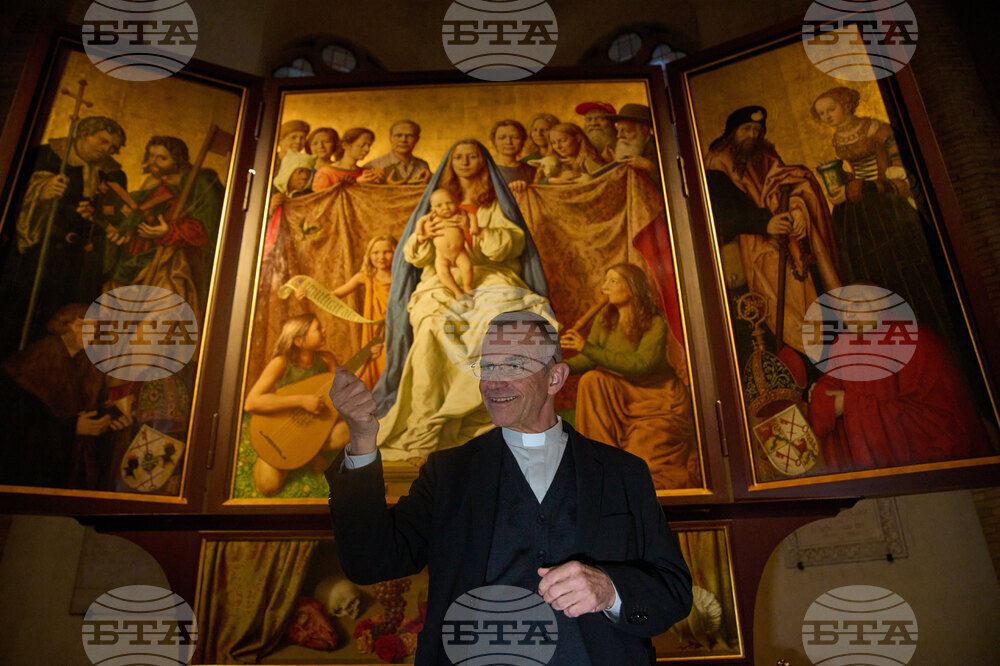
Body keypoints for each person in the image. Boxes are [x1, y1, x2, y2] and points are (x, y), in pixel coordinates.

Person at [326, 310, 693, 665]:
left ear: (554, 378)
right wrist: (362, 438)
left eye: (514, 366)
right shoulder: (449, 473)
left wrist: (609, 589)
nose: (494, 382)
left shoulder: (623, 473)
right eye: (487, 367)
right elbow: (370, 561)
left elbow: (673, 592)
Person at [373, 139, 551, 462]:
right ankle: (428, 423)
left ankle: (485, 419)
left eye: (472, 156)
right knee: (431, 327)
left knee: (497, 323)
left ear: (483, 162)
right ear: (450, 163)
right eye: (459, 157)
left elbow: (511, 245)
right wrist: (424, 237)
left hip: (488, 275)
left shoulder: (494, 204)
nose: (466, 162)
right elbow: (415, 256)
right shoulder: (436, 204)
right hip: (440, 280)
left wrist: (479, 231)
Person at [811, 86, 953, 341]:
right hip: (856, 212)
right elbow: (856, 172)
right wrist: (843, 181)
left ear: (847, 104)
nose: (827, 117)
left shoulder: (878, 130)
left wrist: (863, 187)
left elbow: (901, 178)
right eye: (821, 114)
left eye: (831, 109)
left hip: (887, 206)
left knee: (901, 271)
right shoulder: (838, 138)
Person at [704, 105, 840, 362]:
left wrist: (798, 210)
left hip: (790, 246)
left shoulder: (765, 156)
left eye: (757, 130)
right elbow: (722, 216)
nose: (753, 135)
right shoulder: (717, 162)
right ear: (733, 132)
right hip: (748, 252)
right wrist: (765, 223)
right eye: (746, 129)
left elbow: (792, 187)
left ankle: (822, 353)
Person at [561, 263, 699, 490]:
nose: (605, 287)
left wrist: (586, 347)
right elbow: (588, 361)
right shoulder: (604, 320)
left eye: (613, 281)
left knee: (643, 463)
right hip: (622, 394)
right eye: (605, 281)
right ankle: (601, 464)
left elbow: (642, 364)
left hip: (658, 398)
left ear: (632, 288)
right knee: (591, 380)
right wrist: (557, 367)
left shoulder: (655, 323)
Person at [0, 115, 127, 351]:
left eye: (113, 147)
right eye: (103, 141)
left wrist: (99, 216)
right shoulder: (45, 155)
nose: (106, 150)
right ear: (84, 134)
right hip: (40, 250)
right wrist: (40, 190)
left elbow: (116, 213)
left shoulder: (113, 174)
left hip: (81, 260)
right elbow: (10, 190)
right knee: (26, 306)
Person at [0, 303, 132, 489]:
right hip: (37, 468)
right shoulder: (37, 360)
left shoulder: (89, 365)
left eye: (93, 327)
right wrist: (73, 428)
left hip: (73, 463)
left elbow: (92, 408)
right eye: (81, 326)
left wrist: (113, 418)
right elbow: (21, 424)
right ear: (63, 326)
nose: (89, 333)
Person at [104, 135, 224, 316]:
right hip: (143, 254)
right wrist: (125, 228)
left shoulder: (199, 182)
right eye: (151, 155)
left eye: (162, 158)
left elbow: (209, 226)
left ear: (178, 160)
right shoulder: (155, 182)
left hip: (174, 259)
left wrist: (169, 231)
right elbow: (136, 213)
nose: (153, 162)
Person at [244, 313, 338, 495]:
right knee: (268, 486)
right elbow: (251, 402)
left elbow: (341, 387)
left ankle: (309, 454)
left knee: (345, 432)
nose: (324, 330)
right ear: (299, 341)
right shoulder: (281, 363)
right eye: (318, 328)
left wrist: (367, 359)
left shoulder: (326, 359)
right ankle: (293, 455)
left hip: (312, 426)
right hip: (282, 428)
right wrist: (301, 401)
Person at [317, 234, 396, 390]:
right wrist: (308, 293)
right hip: (375, 331)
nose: (381, 257)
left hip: (396, 327)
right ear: (369, 255)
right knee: (376, 361)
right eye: (376, 252)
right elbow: (334, 295)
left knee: (394, 363)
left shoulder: (401, 276)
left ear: (395, 252)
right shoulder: (366, 277)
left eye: (387, 252)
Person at [414, 188, 479, 299]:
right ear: (433, 209)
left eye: (449, 203)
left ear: (456, 202)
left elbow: (472, 216)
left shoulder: (460, 213)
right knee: (443, 273)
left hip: (459, 252)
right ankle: (456, 290)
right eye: (439, 205)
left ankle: (467, 286)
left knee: (467, 267)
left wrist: (473, 226)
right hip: (442, 255)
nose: (445, 207)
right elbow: (420, 221)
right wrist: (420, 231)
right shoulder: (432, 217)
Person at [312, 127, 383, 190]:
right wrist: (356, 184)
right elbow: (321, 199)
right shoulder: (325, 173)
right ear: (346, 145)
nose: (367, 149)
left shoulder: (365, 173)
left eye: (369, 145)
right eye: (362, 145)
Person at [363, 119, 431, 184]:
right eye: (398, 135)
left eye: (409, 136)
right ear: (390, 138)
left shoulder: (423, 165)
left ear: (417, 139)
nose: (403, 140)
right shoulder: (373, 166)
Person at [606, 103, 660, 185]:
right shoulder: (613, 149)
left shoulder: (659, 148)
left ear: (644, 130)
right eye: (618, 130)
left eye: (627, 131)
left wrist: (648, 166)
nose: (619, 136)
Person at [538, 122, 606, 183]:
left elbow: (603, 181)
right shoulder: (550, 162)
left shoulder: (591, 159)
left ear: (577, 138)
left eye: (563, 140)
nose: (558, 147)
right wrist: (553, 180)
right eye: (553, 143)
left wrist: (584, 172)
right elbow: (537, 184)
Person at [489, 119, 536, 193]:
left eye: (515, 137)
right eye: (502, 138)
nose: (509, 142)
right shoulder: (485, 168)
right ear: (494, 141)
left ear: (523, 141)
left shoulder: (531, 171)